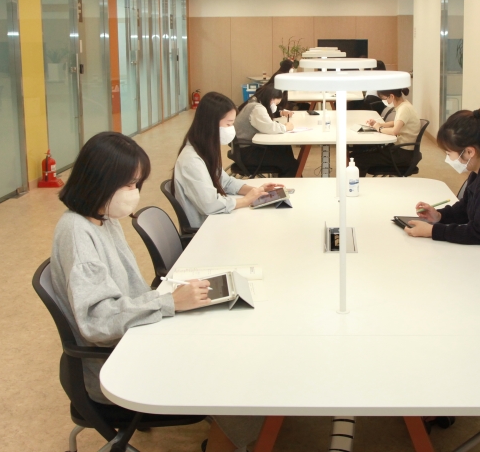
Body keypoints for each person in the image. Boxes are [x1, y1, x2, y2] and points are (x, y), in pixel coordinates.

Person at [52, 131, 264, 452]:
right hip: (116, 364)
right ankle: (235, 439)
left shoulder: (102, 218)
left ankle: (236, 433)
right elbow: (97, 321)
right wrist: (169, 303)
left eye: (137, 184)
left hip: (135, 337)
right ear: (100, 181)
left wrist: (176, 296)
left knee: (225, 335)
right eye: (129, 185)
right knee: (230, 370)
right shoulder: (78, 235)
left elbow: (128, 294)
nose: (135, 193)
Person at [405, 107, 480, 270]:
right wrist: (440, 216)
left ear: (469, 151)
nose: (448, 158)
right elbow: (466, 208)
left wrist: (433, 231)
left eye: (449, 153)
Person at [174, 92, 282, 228]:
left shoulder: (205, 150)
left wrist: (257, 191)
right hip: (205, 229)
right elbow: (210, 205)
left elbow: (225, 182)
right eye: (228, 124)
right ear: (211, 124)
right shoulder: (191, 160)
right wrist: (246, 200)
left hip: (215, 220)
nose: (231, 129)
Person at [348, 87, 420, 176]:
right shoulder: (404, 104)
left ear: (391, 96)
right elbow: (397, 122)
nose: (384, 102)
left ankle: (357, 183)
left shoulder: (404, 108)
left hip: (401, 154)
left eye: (384, 99)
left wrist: (379, 128)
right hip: (400, 150)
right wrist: (378, 124)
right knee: (356, 154)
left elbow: (394, 131)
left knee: (358, 160)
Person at [234, 82, 299, 177]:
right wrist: (286, 127)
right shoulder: (257, 108)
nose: (275, 106)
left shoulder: (254, 103)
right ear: (271, 99)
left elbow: (266, 124)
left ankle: (286, 175)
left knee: (285, 147)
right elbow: (269, 127)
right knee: (292, 164)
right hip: (248, 153)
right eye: (276, 103)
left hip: (245, 148)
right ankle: (287, 181)